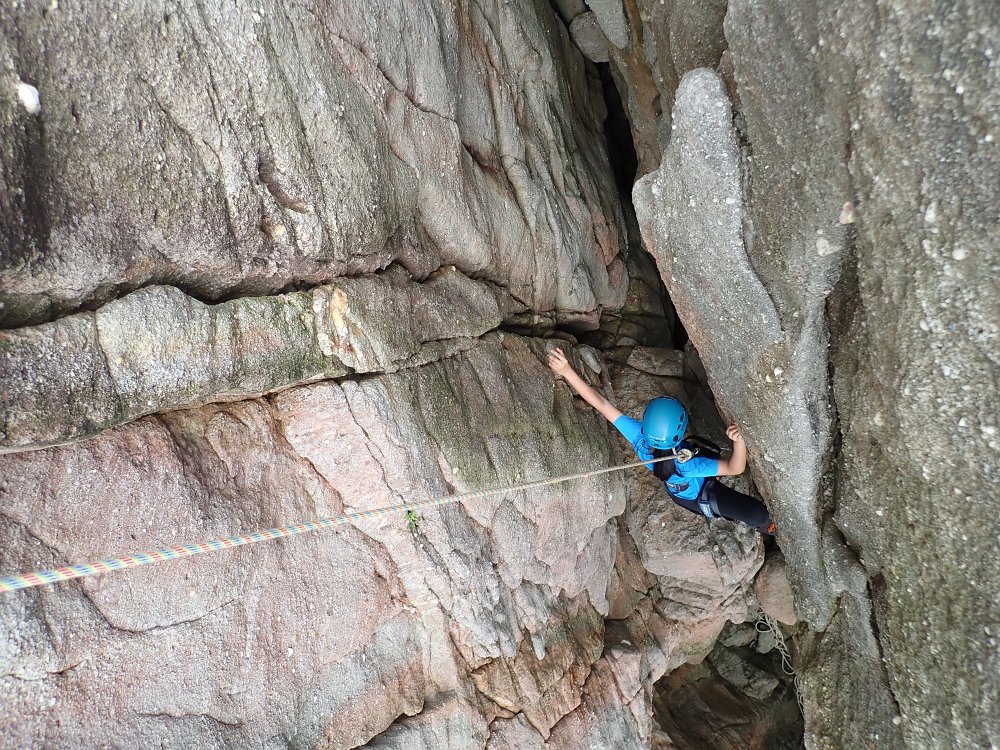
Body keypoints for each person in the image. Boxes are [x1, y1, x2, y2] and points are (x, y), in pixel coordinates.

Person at [547, 346, 775, 535]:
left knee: (704, 453)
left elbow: (601, 404)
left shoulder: (640, 440)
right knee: (758, 514)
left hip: (681, 492)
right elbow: (735, 468)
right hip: (699, 496)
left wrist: (567, 371)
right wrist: (739, 442)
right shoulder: (689, 465)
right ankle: (769, 527)